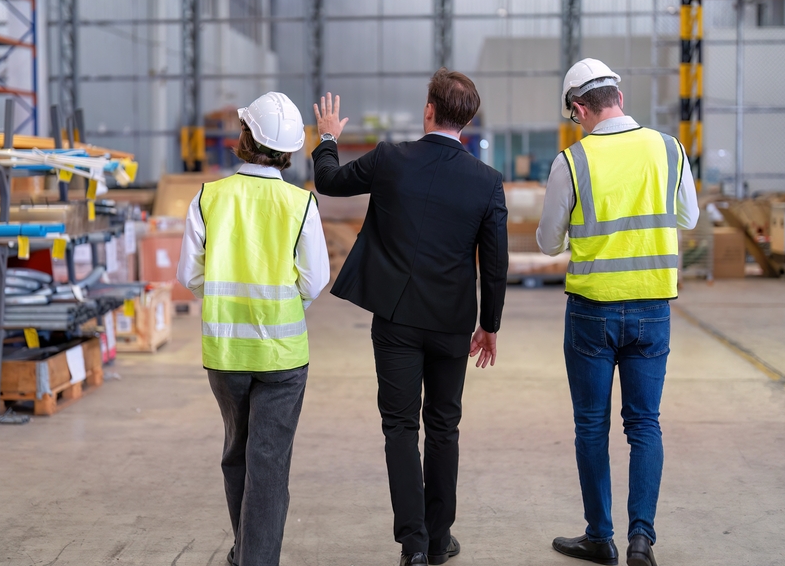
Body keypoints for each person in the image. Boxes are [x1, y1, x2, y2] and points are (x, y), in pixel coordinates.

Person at [312, 69, 509, 566]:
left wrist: (329, 137)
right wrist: (490, 325)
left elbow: (330, 181)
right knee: (444, 427)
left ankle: (414, 546)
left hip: (396, 320)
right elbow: (496, 262)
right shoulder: (487, 182)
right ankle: (440, 540)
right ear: (468, 120)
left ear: (429, 110)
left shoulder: (391, 159)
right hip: (451, 324)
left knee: (400, 428)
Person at [539, 59, 699, 566]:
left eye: (575, 116)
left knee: (591, 426)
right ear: (620, 98)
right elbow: (688, 217)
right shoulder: (669, 149)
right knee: (644, 424)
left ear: (580, 108)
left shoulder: (572, 161)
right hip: (653, 309)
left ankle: (599, 537)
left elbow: (547, 243)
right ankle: (641, 540)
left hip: (592, 313)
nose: (576, 124)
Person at [177, 91, 330, 566]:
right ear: (288, 151)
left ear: (245, 136)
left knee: (237, 454)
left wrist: (223, 302)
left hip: (226, 354)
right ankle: (254, 558)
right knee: (268, 464)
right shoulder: (299, 204)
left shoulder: (209, 197)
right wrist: (285, 303)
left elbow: (190, 275)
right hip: (283, 357)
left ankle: (247, 551)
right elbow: (316, 279)